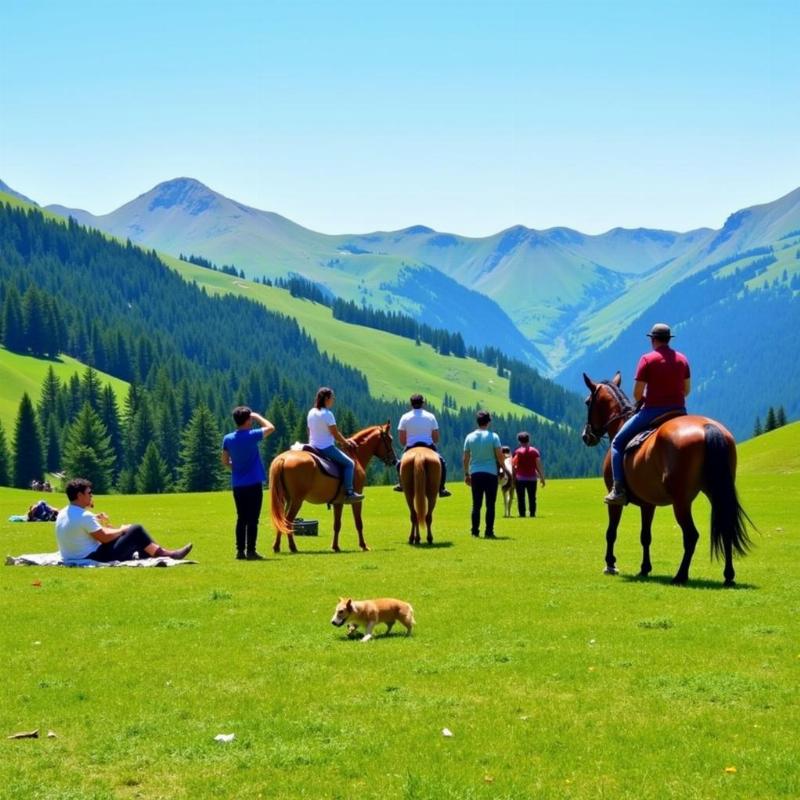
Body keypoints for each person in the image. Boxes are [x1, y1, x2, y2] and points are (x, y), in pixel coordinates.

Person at [605, 322, 691, 505]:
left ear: (653, 340)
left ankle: (618, 489)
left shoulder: (647, 359)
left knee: (617, 443)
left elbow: (637, 393)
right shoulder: (682, 359)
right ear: (669, 339)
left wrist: (644, 398)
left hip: (653, 411)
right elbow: (687, 390)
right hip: (679, 411)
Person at [55, 478, 192, 562]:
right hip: (93, 557)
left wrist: (118, 531)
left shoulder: (63, 513)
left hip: (72, 556)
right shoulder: (84, 516)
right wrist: (123, 529)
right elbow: (104, 538)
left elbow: (98, 533)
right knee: (136, 529)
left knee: (131, 534)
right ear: (79, 495)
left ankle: (152, 555)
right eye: (89, 493)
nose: (92, 496)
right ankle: (166, 555)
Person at [221, 406, 275, 560]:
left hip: (238, 485)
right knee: (253, 519)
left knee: (241, 518)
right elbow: (271, 427)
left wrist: (235, 468)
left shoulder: (228, 438)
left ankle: (240, 551)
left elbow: (224, 461)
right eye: (250, 418)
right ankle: (251, 551)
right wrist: (258, 416)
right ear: (247, 420)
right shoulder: (252, 435)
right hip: (253, 483)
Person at [307, 387, 364, 503]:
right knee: (350, 464)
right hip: (326, 448)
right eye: (332, 397)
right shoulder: (328, 414)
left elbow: (309, 430)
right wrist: (345, 442)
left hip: (312, 447)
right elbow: (335, 433)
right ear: (327, 398)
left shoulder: (311, 412)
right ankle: (349, 492)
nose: (333, 400)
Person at [393, 394, 451, 497]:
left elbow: (402, 441)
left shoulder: (404, 417)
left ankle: (401, 484)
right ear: (423, 403)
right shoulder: (431, 416)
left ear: (411, 404)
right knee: (442, 463)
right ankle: (441, 488)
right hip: (428, 446)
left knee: (399, 464)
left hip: (411, 447)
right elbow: (436, 438)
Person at [463, 410, 508, 538]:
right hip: (491, 473)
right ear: (488, 422)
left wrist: (466, 474)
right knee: (490, 504)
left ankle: (474, 531)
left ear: (477, 422)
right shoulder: (494, 437)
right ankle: (489, 531)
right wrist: (504, 469)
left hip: (476, 473)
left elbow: (465, 458)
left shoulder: (469, 437)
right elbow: (499, 456)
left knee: (476, 504)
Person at [512, 432, 546, 517]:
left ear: (519, 441)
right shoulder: (535, 452)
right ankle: (532, 513)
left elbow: (514, 466)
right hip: (532, 478)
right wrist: (542, 478)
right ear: (528, 440)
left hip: (520, 478)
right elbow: (538, 466)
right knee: (532, 498)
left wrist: (513, 479)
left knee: (521, 498)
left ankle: (522, 514)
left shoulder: (517, 452)